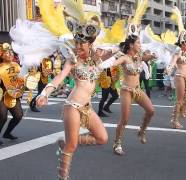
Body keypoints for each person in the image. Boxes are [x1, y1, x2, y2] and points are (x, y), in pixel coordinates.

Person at [36, 12, 109, 179]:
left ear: (90, 44)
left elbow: (116, 51)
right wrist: (45, 93)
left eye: (81, 44)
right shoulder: (72, 61)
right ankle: (63, 176)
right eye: (76, 43)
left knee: (102, 138)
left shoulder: (96, 59)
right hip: (72, 106)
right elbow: (59, 78)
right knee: (72, 146)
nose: (77, 47)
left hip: (87, 107)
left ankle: (66, 142)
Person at [0, 43, 25, 145]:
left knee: (18, 115)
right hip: (2, 95)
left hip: (14, 94)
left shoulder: (16, 65)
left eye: (11, 52)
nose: (10, 54)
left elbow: (21, 79)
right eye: (7, 52)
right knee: (2, 116)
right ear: (1, 54)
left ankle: (7, 133)